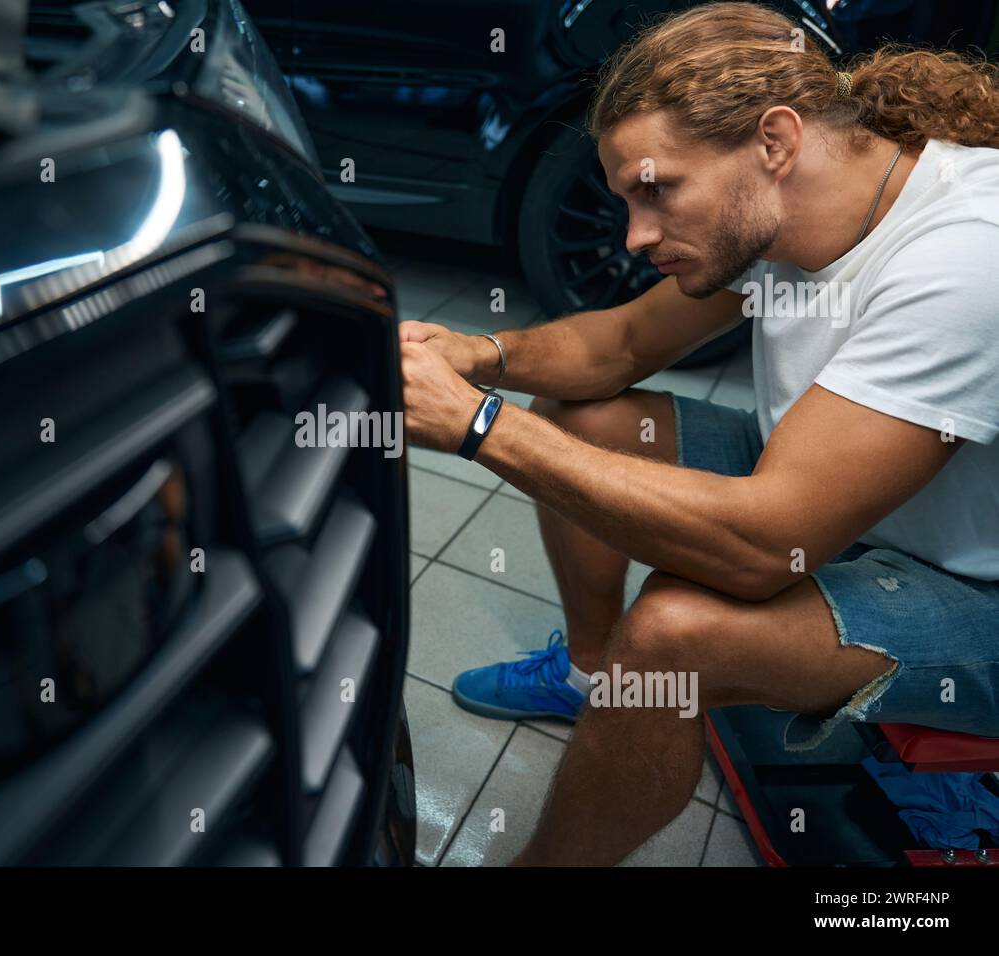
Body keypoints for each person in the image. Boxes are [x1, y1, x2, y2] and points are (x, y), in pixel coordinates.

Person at [399, 1, 999, 866]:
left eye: (656, 190)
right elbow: (621, 345)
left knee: (676, 630)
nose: (639, 235)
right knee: (587, 420)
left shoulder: (962, 260)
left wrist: (478, 426)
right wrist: (475, 353)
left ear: (776, 141)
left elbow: (769, 546)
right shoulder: (790, 202)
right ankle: (590, 676)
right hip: (859, 500)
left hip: (972, 588)